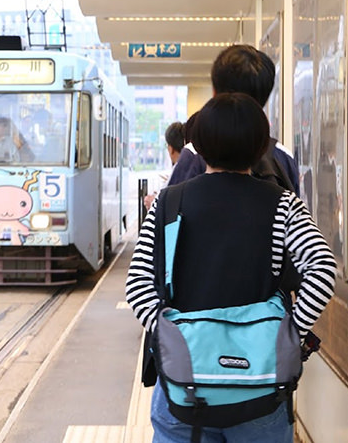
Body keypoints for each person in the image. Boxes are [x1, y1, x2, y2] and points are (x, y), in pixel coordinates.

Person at [126, 93, 337, 442]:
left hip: (184, 386)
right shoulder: (282, 204)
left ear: (200, 146)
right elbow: (322, 268)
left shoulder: (169, 201)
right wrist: (290, 333)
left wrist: (172, 338)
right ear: (259, 147)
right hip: (259, 385)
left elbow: (137, 285)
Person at [168, 45, 300, 195]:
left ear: (215, 93)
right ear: (264, 98)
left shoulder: (195, 153)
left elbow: (170, 213)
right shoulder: (282, 157)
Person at [143, 120, 188, 210]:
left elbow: (171, 207)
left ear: (170, 149)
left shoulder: (178, 172)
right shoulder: (193, 167)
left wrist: (153, 202)